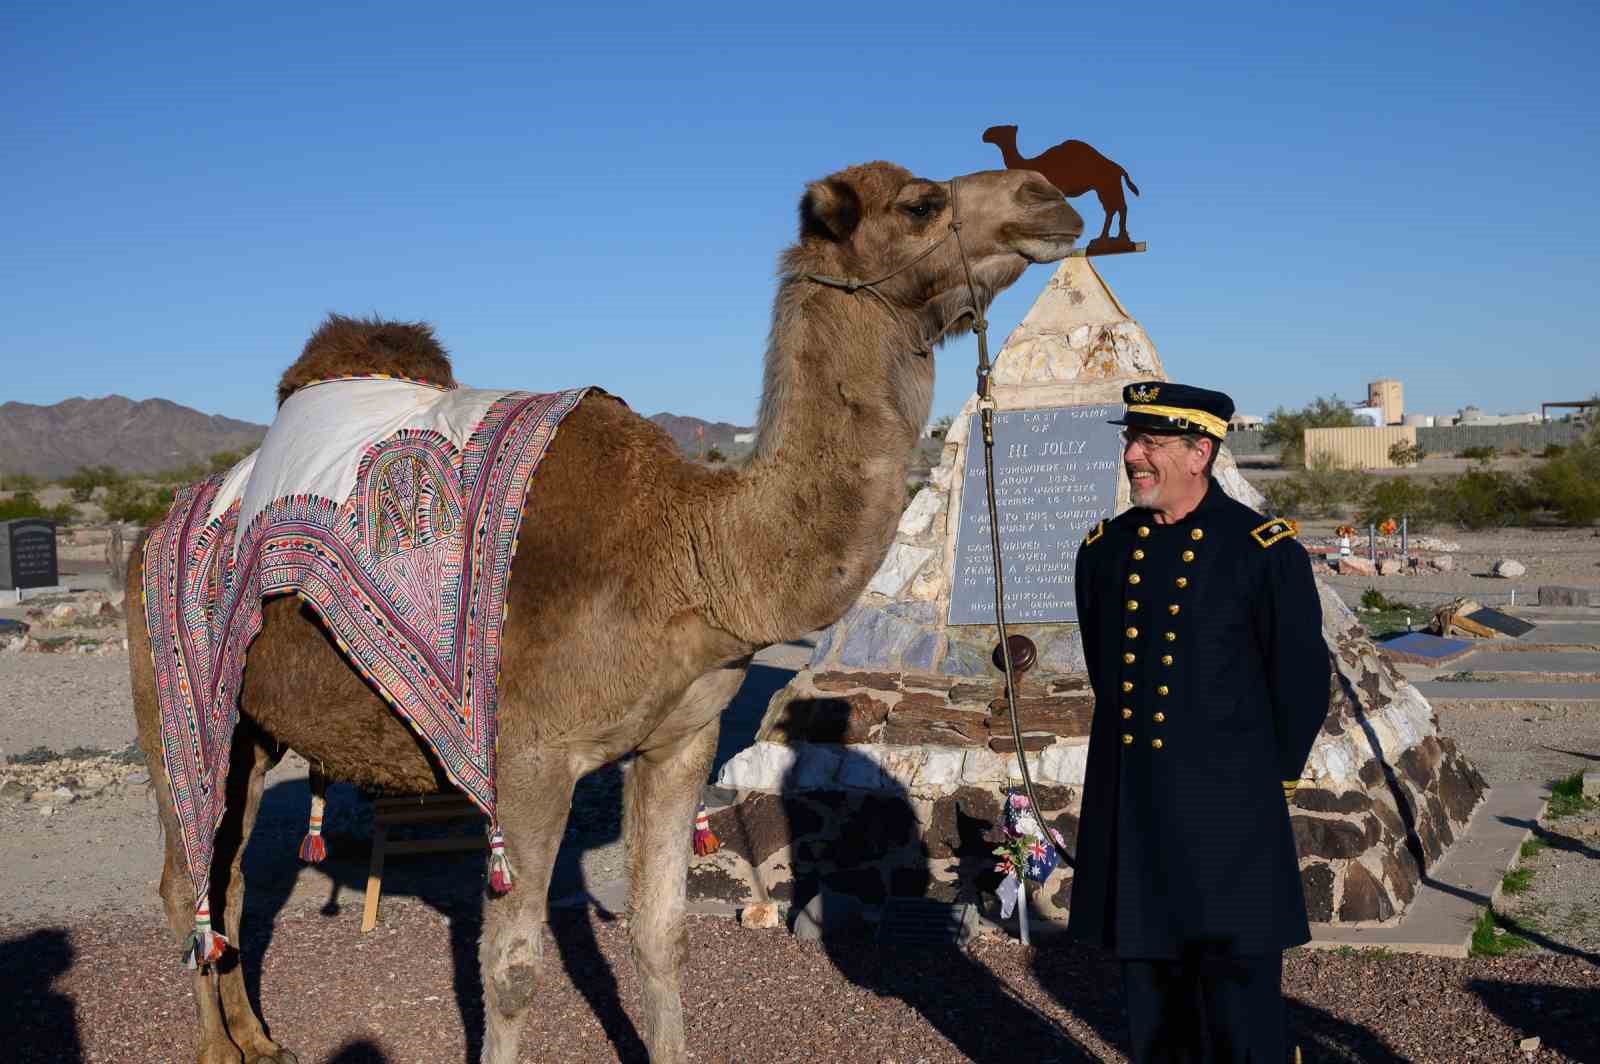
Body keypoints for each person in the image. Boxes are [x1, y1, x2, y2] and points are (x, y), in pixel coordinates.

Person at [1067, 380, 1330, 1062]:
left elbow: (1301, 682)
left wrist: (1269, 785)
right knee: (1154, 1014)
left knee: (1244, 1015)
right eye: (1131, 439)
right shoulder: (1104, 551)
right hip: (1137, 815)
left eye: (1150, 442)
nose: (1132, 455)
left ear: (1199, 452)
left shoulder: (1261, 550)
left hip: (1228, 822)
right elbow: (1106, 673)